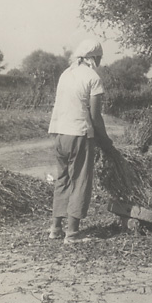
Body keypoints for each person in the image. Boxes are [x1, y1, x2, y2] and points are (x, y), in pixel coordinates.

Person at [48, 39, 113, 244]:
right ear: (93, 58)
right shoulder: (93, 78)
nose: (100, 62)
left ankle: (55, 228)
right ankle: (73, 233)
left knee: (63, 179)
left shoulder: (66, 74)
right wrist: (107, 142)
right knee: (80, 181)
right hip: (79, 134)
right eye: (99, 58)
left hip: (60, 134)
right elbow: (95, 117)